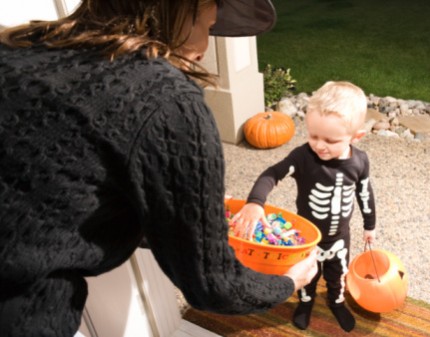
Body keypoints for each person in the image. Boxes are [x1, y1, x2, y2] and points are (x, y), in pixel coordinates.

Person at [0, 1, 318, 336]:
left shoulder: (16, 45)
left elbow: (67, 195)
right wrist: (286, 282)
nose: (203, 49)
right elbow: (214, 285)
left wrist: (181, 212)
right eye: (207, 27)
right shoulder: (166, 100)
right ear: (177, 10)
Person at [231, 81, 377, 332]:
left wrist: (370, 225)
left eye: (331, 140)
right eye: (313, 135)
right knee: (306, 273)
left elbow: (364, 193)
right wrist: (255, 203)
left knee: (338, 272)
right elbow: (271, 174)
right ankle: (306, 302)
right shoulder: (303, 157)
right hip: (308, 236)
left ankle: (337, 301)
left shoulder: (360, 161)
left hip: (341, 236)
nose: (320, 145)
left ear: (356, 137)